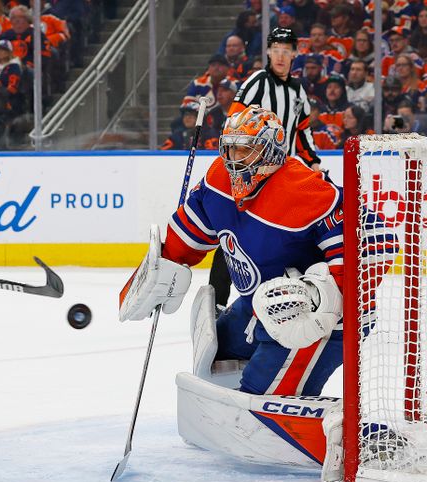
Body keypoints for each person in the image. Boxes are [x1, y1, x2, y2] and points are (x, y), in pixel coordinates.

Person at [121, 106, 352, 398]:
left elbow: (375, 239)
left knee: (260, 397)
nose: (233, 159)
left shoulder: (305, 191)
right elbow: (188, 234)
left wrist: (325, 296)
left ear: (270, 151)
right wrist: (160, 269)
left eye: (244, 150)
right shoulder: (219, 179)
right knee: (219, 353)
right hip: (256, 305)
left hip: (312, 319)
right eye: (229, 149)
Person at [208, 26, 321, 309]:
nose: (281, 56)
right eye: (276, 50)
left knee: (282, 237)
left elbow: (302, 131)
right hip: (253, 174)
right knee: (234, 234)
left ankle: (280, 301)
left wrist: (314, 163)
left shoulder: (297, 91)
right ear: (268, 52)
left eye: (287, 51)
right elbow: (234, 122)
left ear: (294, 54)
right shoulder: (258, 81)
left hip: (284, 178)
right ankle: (216, 302)